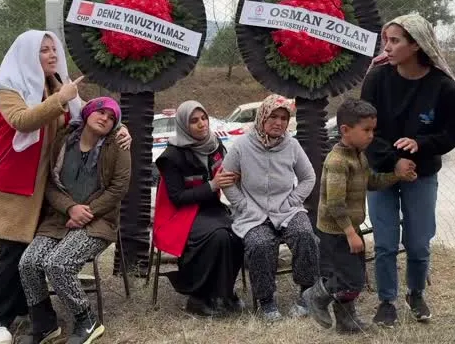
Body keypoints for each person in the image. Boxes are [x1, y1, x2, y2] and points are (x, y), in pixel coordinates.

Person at [0, 30, 131, 344]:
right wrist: (61, 99)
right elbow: (22, 120)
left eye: (53, 49)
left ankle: (31, 313)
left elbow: (90, 112)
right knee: (12, 252)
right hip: (13, 182)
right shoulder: (7, 87)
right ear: (27, 54)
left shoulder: (56, 83)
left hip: (43, 182)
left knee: (28, 252)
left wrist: (122, 127)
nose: (52, 55)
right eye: (43, 50)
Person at [361, 14, 455, 327]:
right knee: (384, 243)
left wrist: (420, 145)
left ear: (416, 45)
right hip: (381, 172)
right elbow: (364, 129)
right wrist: (392, 161)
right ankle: (386, 301)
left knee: (419, 242)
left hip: (421, 174)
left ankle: (416, 293)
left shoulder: (443, 87)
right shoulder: (377, 80)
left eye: (395, 41)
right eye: (386, 40)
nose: (387, 47)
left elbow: (452, 132)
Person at [18, 97, 130, 344]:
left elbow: (119, 188)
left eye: (112, 117)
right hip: (59, 218)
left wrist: (85, 213)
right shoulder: (63, 140)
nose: (105, 118)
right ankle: (45, 324)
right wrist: (70, 208)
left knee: (58, 264)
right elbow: (50, 183)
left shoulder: (118, 145)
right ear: (87, 113)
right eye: (101, 112)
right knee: (28, 263)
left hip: (98, 221)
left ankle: (87, 320)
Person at [304, 98, 416, 334]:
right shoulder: (338, 161)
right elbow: (335, 204)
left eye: (373, 130)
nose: (371, 135)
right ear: (345, 130)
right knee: (350, 279)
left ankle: (346, 321)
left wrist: (397, 176)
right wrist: (350, 233)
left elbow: (371, 182)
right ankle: (316, 294)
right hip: (336, 232)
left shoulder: (359, 156)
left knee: (352, 276)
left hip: (349, 229)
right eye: (366, 130)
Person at [221, 94, 319, 322]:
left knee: (305, 235)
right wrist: (242, 205)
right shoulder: (242, 146)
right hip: (253, 213)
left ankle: (308, 293)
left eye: (284, 118)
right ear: (262, 117)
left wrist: (293, 201)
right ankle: (266, 301)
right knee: (260, 243)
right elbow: (225, 180)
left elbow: (308, 177)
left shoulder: (292, 145)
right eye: (273, 116)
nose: (279, 122)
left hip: (287, 210)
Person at [153, 100, 244, 317]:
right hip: (180, 214)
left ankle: (223, 293)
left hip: (211, 208)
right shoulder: (171, 156)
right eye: (194, 121)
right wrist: (212, 185)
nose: (202, 124)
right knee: (219, 236)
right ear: (184, 125)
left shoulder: (215, 145)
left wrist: (235, 176)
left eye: (204, 118)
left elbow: (226, 173)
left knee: (238, 233)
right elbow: (177, 198)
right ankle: (199, 297)